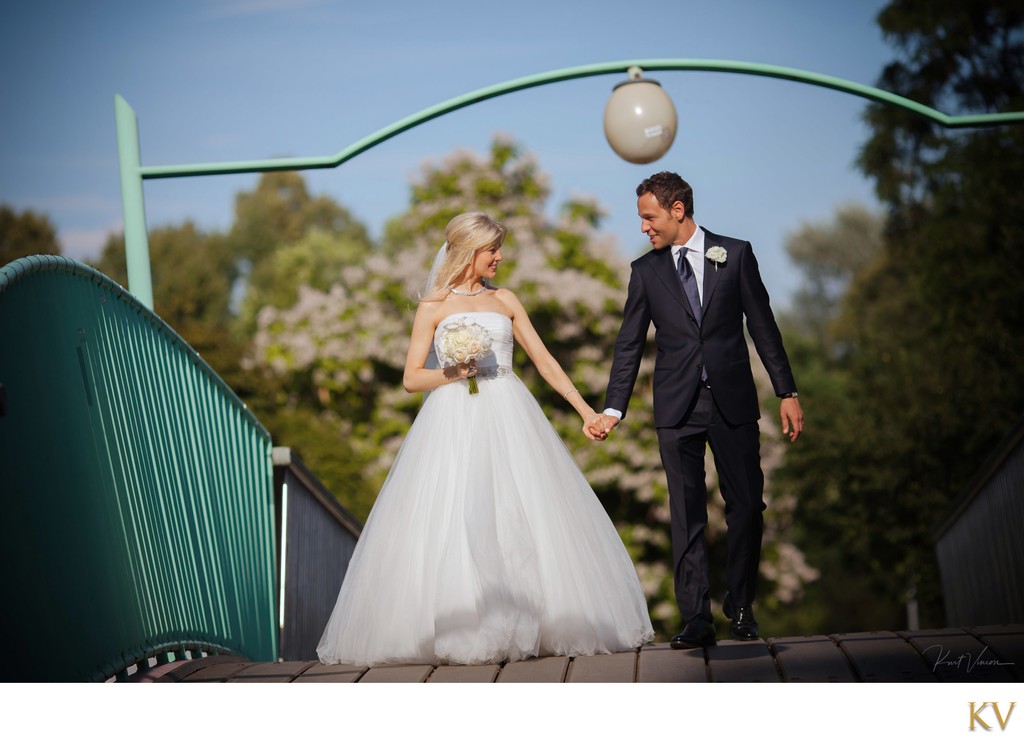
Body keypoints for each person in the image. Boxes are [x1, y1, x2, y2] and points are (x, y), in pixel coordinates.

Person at [317, 211, 653, 666]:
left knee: (520, 510)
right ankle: (465, 624)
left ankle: (535, 620)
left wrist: (585, 410)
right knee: (455, 514)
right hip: (452, 417)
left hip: (509, 413)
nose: (499, 256)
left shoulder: (507, 301)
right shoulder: (433, 306)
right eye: (492, 249)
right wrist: (456, 370)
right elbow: (412, 379)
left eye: (499, 248)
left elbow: (545, 361)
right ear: (468, 251)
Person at [586, 172, 803, 649]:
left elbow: (763, 327)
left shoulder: (736, 254)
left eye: (649, 217)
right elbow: (628, 347)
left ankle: (742, 606)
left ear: (677, 210)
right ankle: (696, 617)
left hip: (733, 402)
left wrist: (787, 391)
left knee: (746, 505)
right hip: (676, 406)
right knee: (686, 513)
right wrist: (613, 410)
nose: (644, 227)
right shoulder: (645, 272)